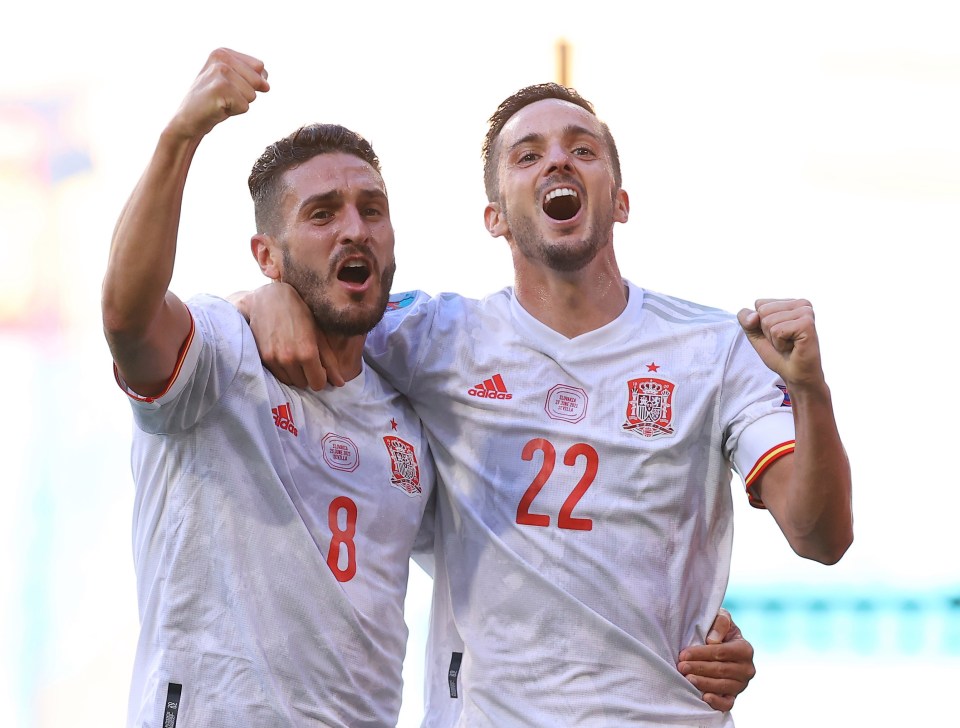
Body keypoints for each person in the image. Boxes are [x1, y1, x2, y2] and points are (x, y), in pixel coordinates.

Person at [244, 80, 853, 727]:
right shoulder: (434, 336)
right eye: (527, 155)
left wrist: (812, 391)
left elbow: (821, 538)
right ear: (495, 216)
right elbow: (319, 309)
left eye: (582, 150)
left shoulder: (716, 349)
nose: (558, 161)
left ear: (620, 201)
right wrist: (263, 296)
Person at [101, 48, 436, 727]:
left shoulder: (411, 411)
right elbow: (128, 318)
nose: (354, 228)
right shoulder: (224, 352)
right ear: (268, 256)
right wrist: (181, 137)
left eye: (372, 209)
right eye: (322, 214)